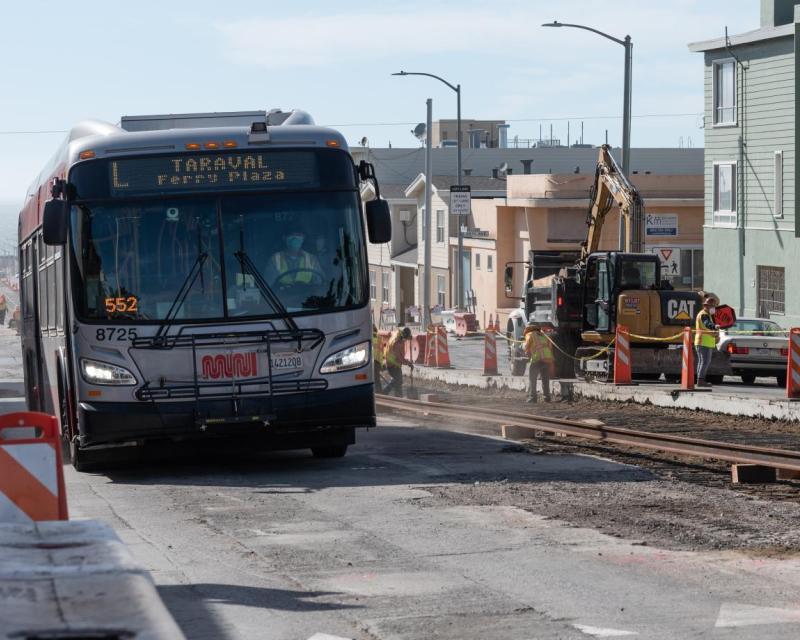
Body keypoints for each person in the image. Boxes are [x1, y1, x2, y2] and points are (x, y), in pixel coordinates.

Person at [524, 320, 553, 403]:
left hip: (537, 359)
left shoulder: (530, 334)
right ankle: (547, 397)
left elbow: (526, 347)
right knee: (545, 379)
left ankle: (532, 397)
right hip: (547, 359)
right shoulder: (543, 335)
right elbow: (550, 347)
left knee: (532, 378)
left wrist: (528, 354)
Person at [694, 294, 720, 387]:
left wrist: (715, 335)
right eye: (713, 306)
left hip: (703, 341)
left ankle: (700, 380)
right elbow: (707, 324)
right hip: (703, 342)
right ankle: (700, 381)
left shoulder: (706, 314)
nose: (714, 308)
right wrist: (714, 326)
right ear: (707, 306)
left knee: (702, 361)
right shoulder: (704, 315)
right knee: (705, 362)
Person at [383, 326, 413, 397]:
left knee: (398, 381)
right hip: (392, 364)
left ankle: (398, 397)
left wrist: (409, 338)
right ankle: (385, 392)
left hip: (395, 363)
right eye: (406, 339)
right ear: (404, 336)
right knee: (397, 381)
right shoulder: (397, 342)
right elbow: (399, 357)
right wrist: (408, 363)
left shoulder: (397, 336)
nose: (405, 341)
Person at [372, 324, 385, 391]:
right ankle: (379, 391)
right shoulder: (380, 338)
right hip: (378, 361)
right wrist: (382, 364)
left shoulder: (368, 337)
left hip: (371, 361)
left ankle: (379, 393)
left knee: (374, 378)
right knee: (376, 378)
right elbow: (382, 352)